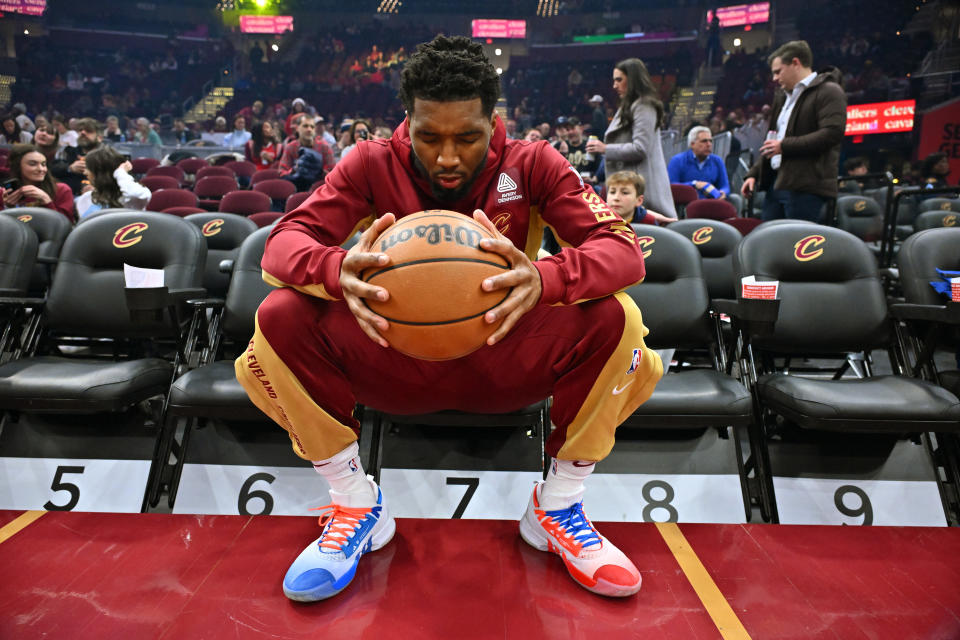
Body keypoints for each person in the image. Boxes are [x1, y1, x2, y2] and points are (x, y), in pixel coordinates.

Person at [235, 35, 662, 604]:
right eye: (429, 137)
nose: (447, 157)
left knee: (618, 318)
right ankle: (355, 503)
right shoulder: (369, 162)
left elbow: (623, 250)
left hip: (501, 357)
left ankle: (557, 507)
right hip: (394, 357)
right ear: (406, 122)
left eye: (468, 137)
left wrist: (546, 277)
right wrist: (337, 269)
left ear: (494, 122)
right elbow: (282, 245)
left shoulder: (534, 163)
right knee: (280, 314)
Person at [741, 40, 847, 222]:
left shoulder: (829, 91)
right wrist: (754, 173)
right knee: (771, 243)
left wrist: (785, 146)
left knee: (800, 247)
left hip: (807, 187)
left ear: (795, 63)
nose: (774, 78)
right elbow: (772, 142)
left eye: (778, 71)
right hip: (777, 184)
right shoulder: (782, 97)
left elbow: (832, 133)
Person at [587, 58, 677, 218]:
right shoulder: (630, 106)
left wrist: (605, 149)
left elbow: (640, 148)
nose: (614, 85)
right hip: (628, 186)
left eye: (619, 80)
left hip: (642, 185)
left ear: (633, 79)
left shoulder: (644, 106)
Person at [0, 144, 75, 222]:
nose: (41, 169)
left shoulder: (61, 190)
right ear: (17, 166)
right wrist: (7, 208)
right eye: (33, 164)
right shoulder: (4, 193)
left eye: (43, 164)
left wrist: (46, 201)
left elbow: (66, 225)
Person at [73, 146, 151, 220]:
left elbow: (135, 194)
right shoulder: (86, 198)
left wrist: (120, 172)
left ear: (101, 173)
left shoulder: (130, 199)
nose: (85, 173)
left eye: (88, 168)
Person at [667, 125, 731, 199]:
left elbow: (725, 186)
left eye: (710, 141)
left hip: (711, 202)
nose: (709, 144)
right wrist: (694, 184)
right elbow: (672, 186)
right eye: (704, 141)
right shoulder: (677, 160)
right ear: (692, 144)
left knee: (735, 198)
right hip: (686, 202)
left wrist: (723, 192)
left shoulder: (717, 161)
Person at [278, 114, 335, 191]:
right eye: (305, 126)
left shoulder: (325, 147)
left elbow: (334, 176)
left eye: (312, 127)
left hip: (320, 190)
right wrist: (295, 169)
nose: (309, 129)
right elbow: (281, 173)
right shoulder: (290, 147)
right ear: (297, 128)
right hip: (297, 189)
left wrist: (319, 171)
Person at [606, 171, 675, 226]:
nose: (616, 198)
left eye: (625, 193)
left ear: (639, 200)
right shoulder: (597, 221)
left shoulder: (649, 223)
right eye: (612, 192)